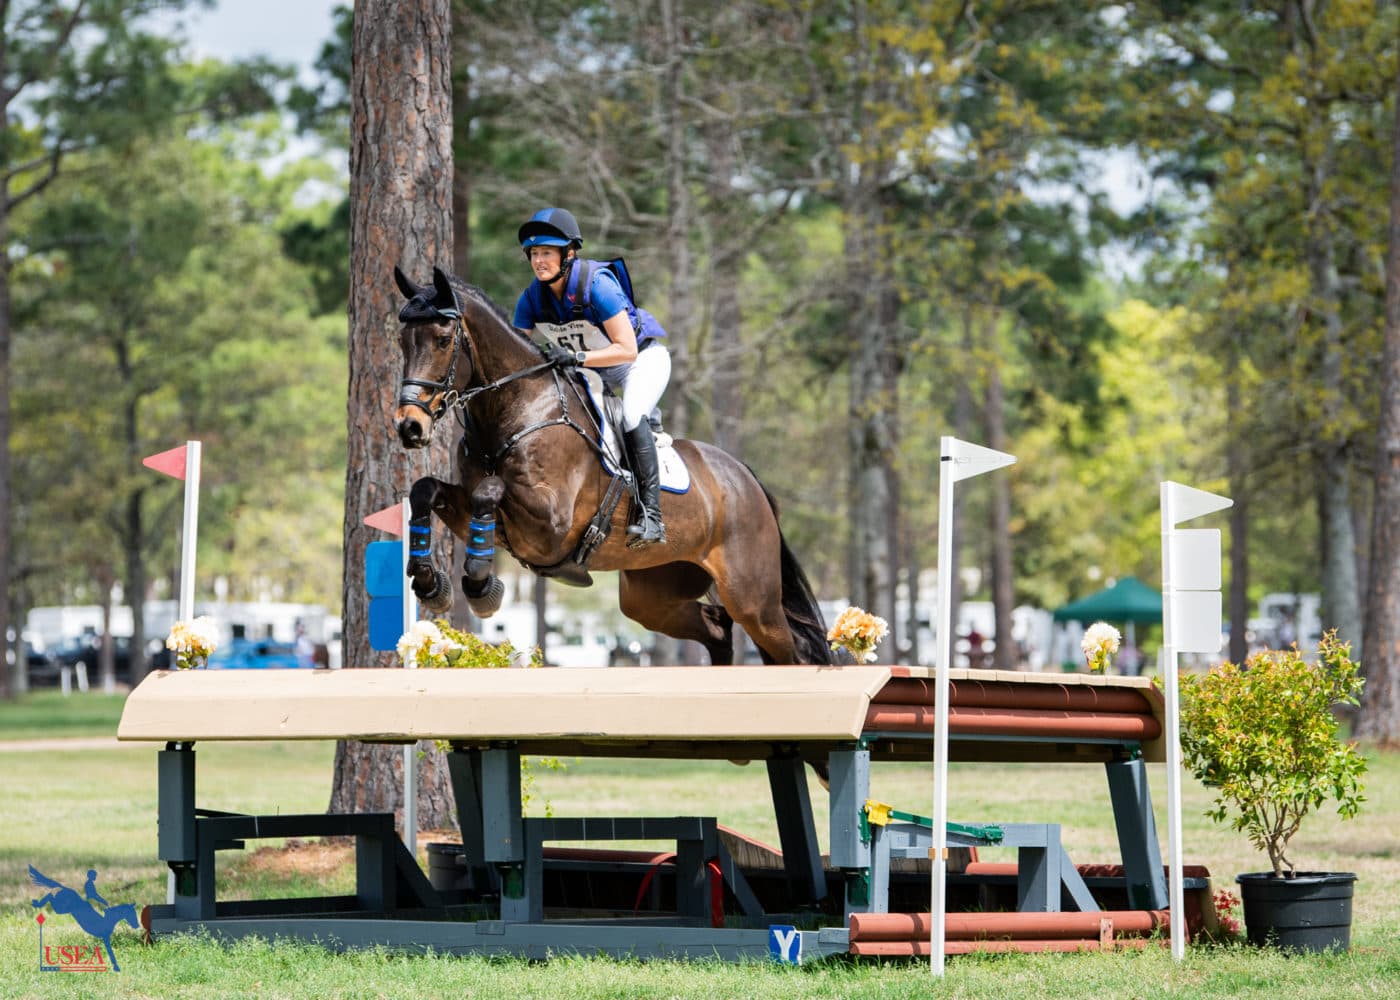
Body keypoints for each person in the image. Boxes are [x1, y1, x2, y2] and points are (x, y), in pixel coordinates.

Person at [512, 207, 671, 546]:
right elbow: (515, 355)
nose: (539, 261)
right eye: (534, 254)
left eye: (547, 253)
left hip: (640, 360)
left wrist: (577, 357)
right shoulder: (532, 298)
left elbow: (627, 349)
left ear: (569, 254)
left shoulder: (597, 285)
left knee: (631, 415)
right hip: (592, 371)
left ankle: (652, 517)